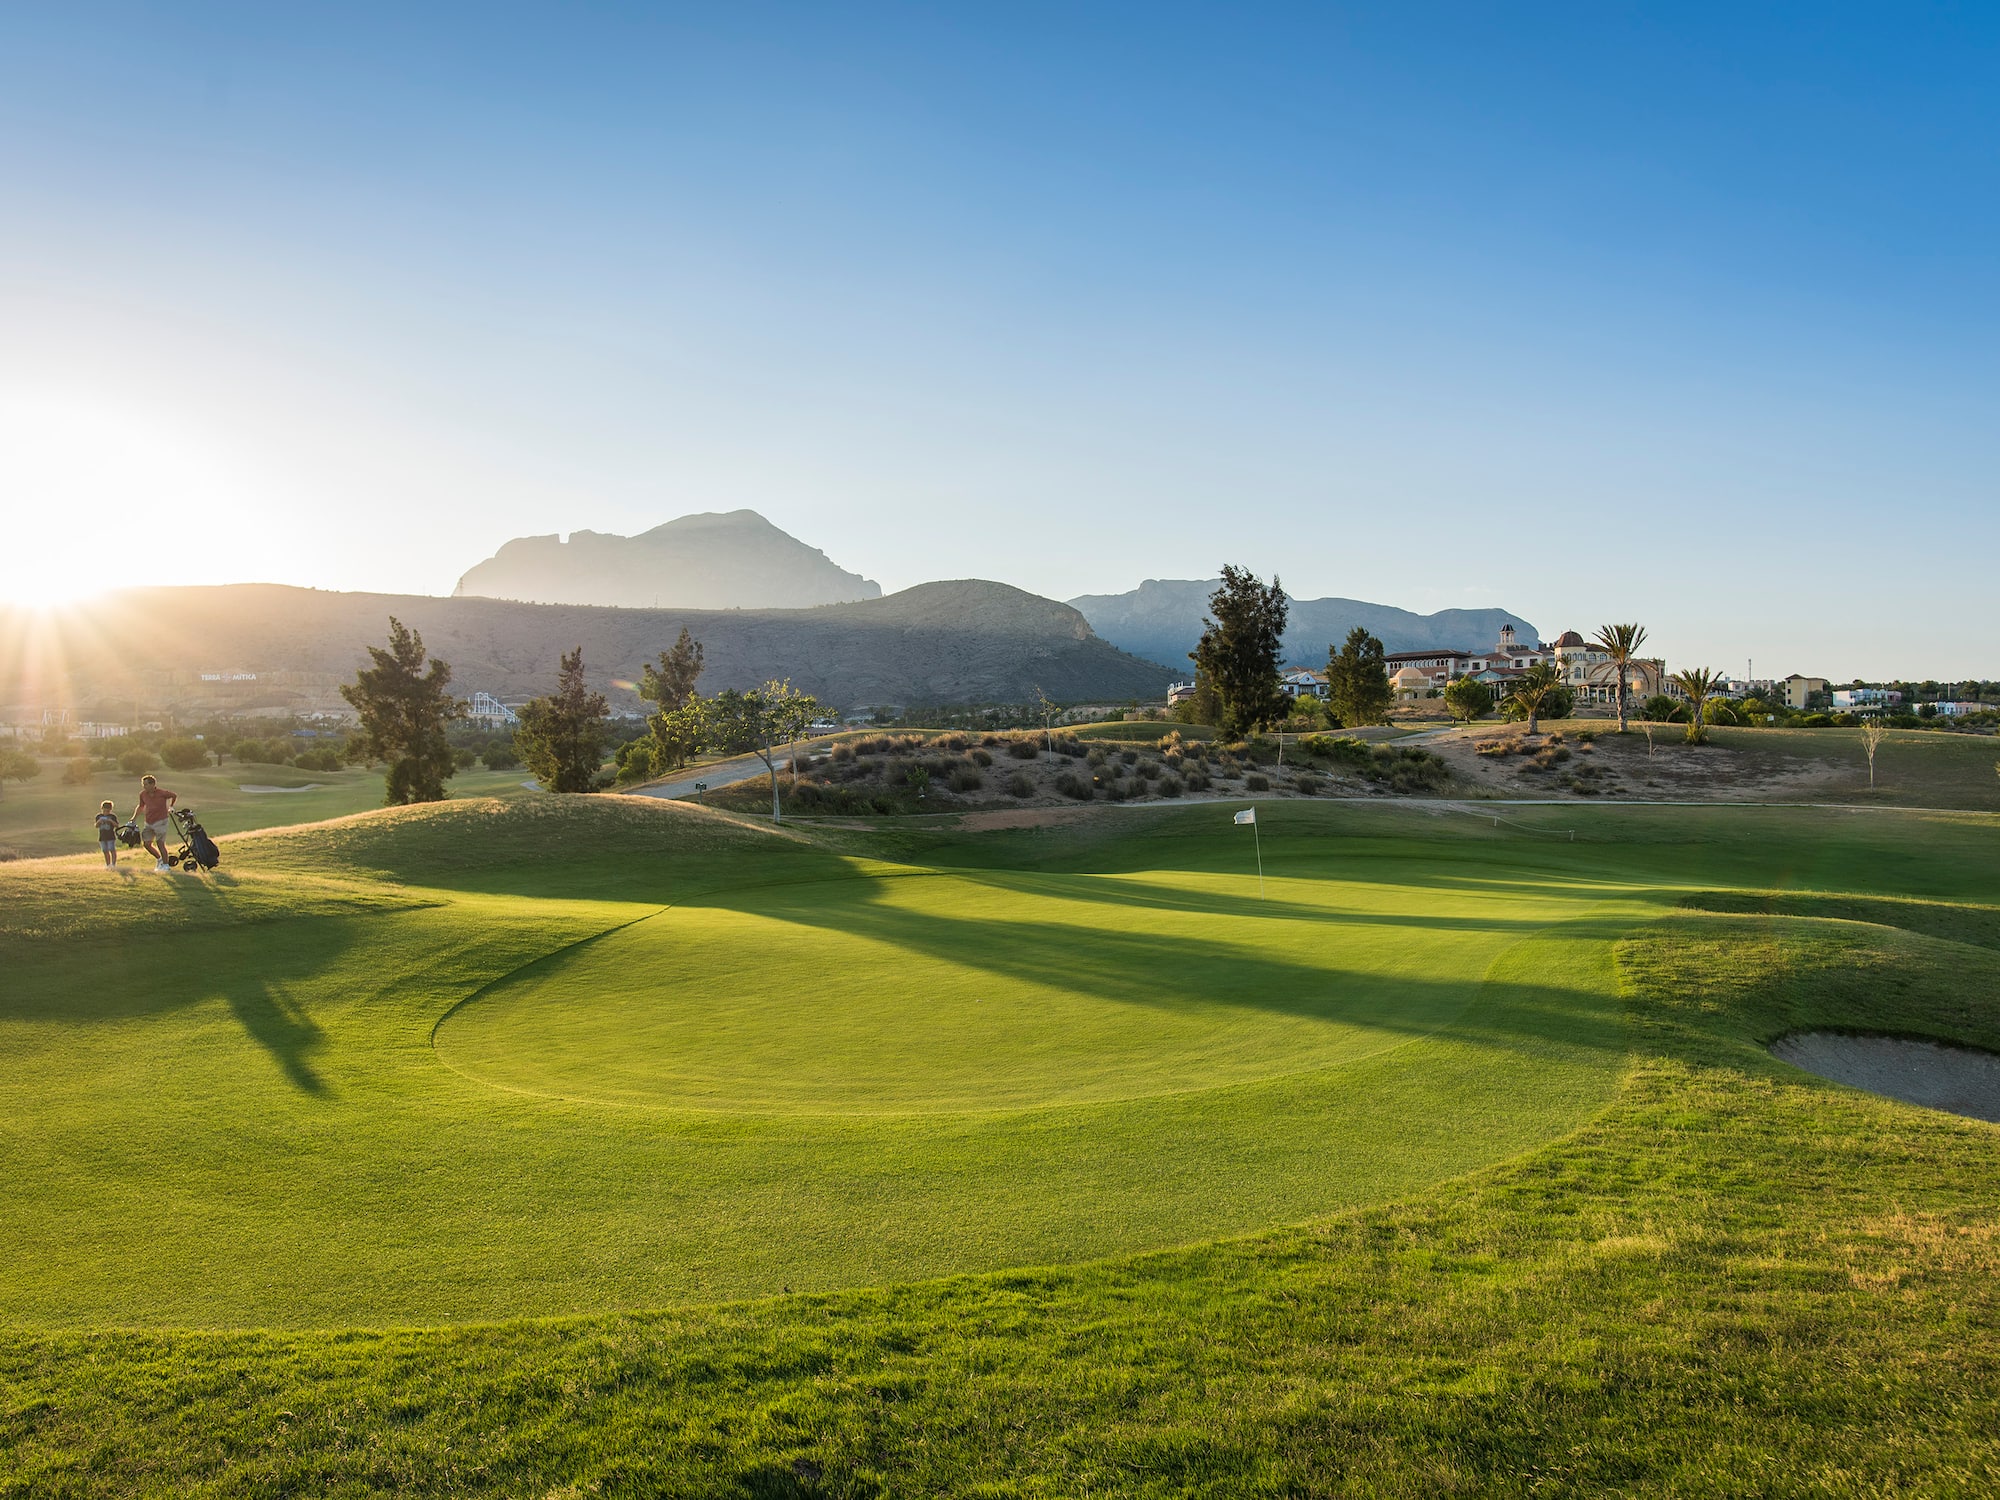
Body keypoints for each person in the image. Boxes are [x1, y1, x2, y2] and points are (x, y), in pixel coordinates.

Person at [131, 773, 178, 872]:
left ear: (152, 784)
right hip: (148, 822)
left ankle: (166, 865)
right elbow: (140, 806)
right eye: (143, 784)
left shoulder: (162, 793)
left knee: (160, 843)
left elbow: (174, 795)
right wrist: (134, 818)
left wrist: (171, 806)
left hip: (161, 821)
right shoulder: (143, 794)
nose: (144, 786)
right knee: (147, 844)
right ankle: (159, 859)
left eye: (146, 784)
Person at [94, 800, 121, 868]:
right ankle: (108, 864)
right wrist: (99, 822)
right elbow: (96, 826)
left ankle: (113, 864)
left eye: (108, 811)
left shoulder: (112, 816)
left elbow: (117, 825)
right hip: (102, 837)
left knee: (112, 849)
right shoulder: (98, 816)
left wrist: (111, 821)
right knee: (105, 850)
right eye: (104, 810)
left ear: (110, 810)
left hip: (111, 836)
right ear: (102, 809)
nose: (106, 812)